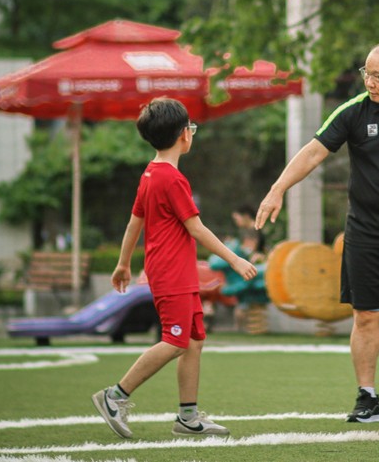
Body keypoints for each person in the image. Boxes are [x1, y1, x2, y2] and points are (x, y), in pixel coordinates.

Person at [255, 41, 379, 422]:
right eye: (366, 72)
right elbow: (313, 152)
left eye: (377, 76)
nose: (369, 81)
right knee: (365, 317)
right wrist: (278, 189)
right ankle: (367, 397)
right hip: (366, 232)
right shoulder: (355, 110)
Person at [92, 98, 257, 439]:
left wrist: (124, 263)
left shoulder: (151, 174)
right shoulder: (172, 179)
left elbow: (133, 222)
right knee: (176, 341)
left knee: (194, 340)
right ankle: (115, 396)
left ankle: (188, 417)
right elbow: (196, 228)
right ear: (184, 135)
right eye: (191, 128)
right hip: (172, 274)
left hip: (173, 271)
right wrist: (235, 259)